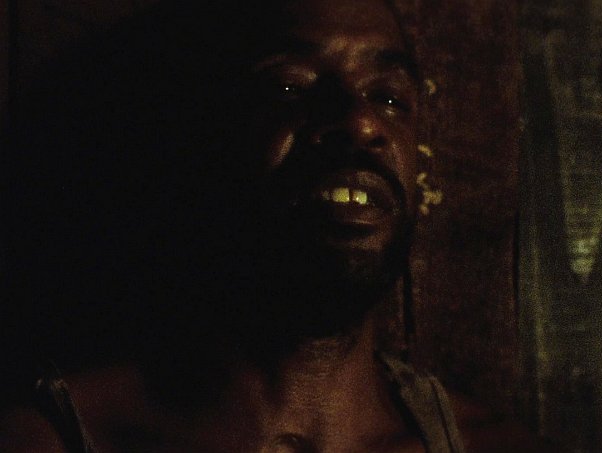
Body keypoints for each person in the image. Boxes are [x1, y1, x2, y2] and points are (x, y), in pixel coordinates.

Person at [1, 0, 550, 451]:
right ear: (200, 140)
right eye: (290, 87)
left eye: (387, 96)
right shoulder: (49, 440)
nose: (361, 122)